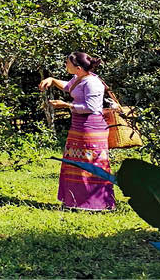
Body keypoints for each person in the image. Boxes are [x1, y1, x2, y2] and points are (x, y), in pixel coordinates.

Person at [39, 51, 116, 211]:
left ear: (78, 68)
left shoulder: (92, 83)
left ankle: (97, 204)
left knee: (92, 163)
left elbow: (92, 107)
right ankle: (76, 202)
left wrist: (66, 106)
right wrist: (52, 80)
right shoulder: (79, 78)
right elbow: (68, 87)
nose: (66, 65)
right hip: (78, 127)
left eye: (68, 63)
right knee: (76, 161)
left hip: (91, 128)